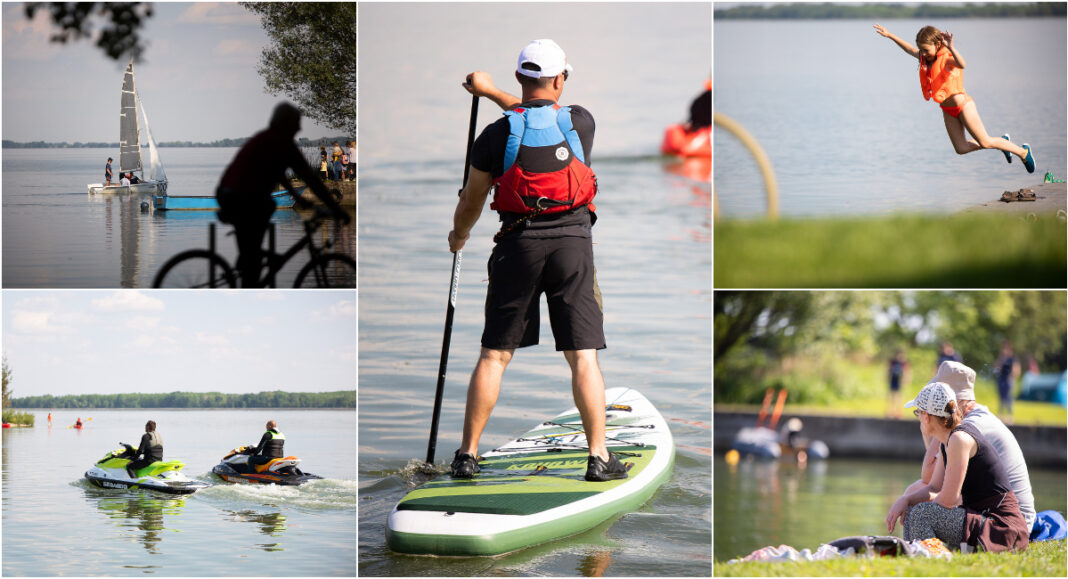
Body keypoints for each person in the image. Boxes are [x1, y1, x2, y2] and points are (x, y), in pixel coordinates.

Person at [448, 39, 623, 483]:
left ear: (519, 78)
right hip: (573, 246)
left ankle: (467, 456)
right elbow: (542, 112)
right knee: (583, 356)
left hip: (516, 246)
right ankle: (598, 457)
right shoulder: (581, 122)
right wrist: (491, 92)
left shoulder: (494, 135)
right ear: (561, 78)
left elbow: (471, 200)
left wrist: (459, 235)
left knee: (493, 356)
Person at [889, 360, 1036, 533]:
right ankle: (924, 548)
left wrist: (930, 429)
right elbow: (934, 483)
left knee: (920, 506)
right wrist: (907, 500)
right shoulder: (958, 430)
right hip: (990, 508)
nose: (919, 417)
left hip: (1009, 520)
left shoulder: (967, 430)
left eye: (920, 413)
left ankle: (929, 551)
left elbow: (930, 478)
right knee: (915, 496)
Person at [215, 102, 350, 287]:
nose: (299, 127)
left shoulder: (266, 138)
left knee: (263, 214)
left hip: (228, 193)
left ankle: (250, 264)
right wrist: (335, 208)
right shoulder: (282, 143)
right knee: (265, 209)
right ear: (285, 123)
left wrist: (296, 196)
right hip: (240, 198)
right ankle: (249, 273)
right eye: (296, 122)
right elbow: (311, 179)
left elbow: (277, 172)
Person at [873, 25, 1035, 173]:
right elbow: (908, 48)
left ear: (937, 45)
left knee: (985, 142)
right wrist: (890, 35)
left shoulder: (947, 60)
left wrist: (951, 47)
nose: (922, 53)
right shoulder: (924, 58)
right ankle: (1001, 143)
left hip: (964, 106)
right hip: (947, 109)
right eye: (920, 50)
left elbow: (962, 64)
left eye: (926, 50)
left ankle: (1023, 152)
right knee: (961, 148)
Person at [994, 341, 1020, 420]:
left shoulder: (1013, 358)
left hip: (1008, 379)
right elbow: (997, 366)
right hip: (1001, 378)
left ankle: (1010, 415)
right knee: (1001, 397)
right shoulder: (1002, 358)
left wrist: (1013, 377)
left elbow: (1016, 368)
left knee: (1008, 397)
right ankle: (1001, 414)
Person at [887, 349, 910, 418]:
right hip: (893, 379)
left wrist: (905, 380)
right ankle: (891, 411)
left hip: (899, 380)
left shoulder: (903, 362)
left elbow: (906, 371)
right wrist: (887, 377)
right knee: (892, 395)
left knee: (899, 396)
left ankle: (899, 411)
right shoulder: (893, 361)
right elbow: (888, 370)